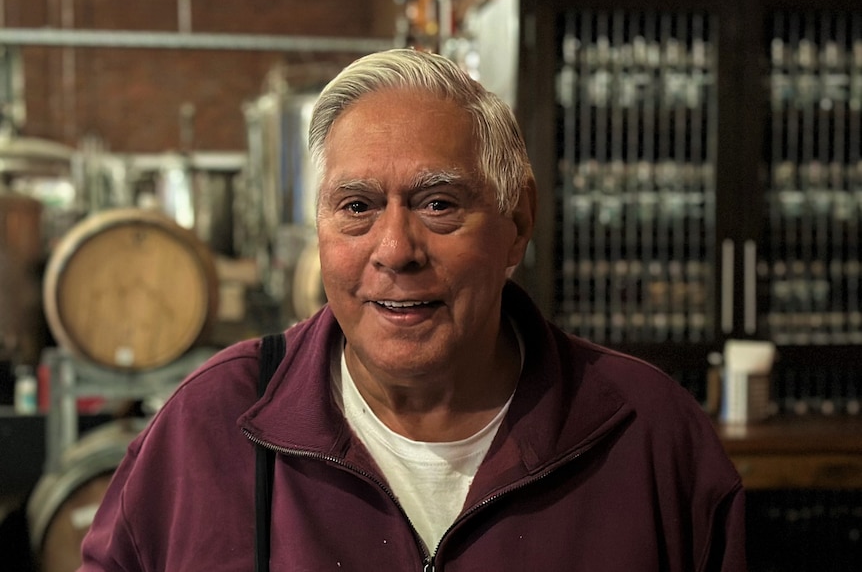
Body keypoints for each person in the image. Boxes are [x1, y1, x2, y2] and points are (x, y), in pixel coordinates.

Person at [78, 48, 745, 571]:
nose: (395, 250)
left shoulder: (647, 435)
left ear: (517, 222)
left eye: (439, 204)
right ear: (321, 227)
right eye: (358, 207)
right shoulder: (210, 427)